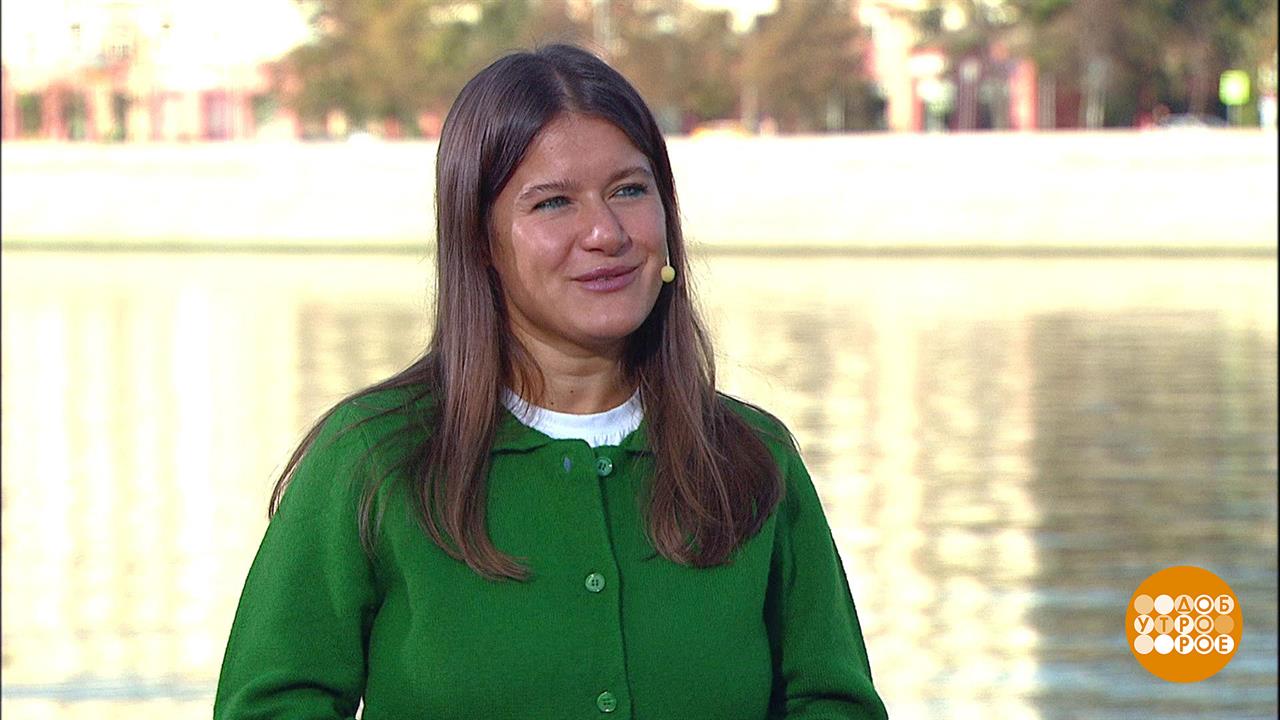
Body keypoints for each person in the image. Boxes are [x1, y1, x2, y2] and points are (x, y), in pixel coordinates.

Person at [214, 43, 888, 720]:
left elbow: (834, 703)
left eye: (629, 190)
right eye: (553, 203)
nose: (605, 233)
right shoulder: (374, 456)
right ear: (481, 240)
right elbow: (269, 706)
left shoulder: (753, 458)